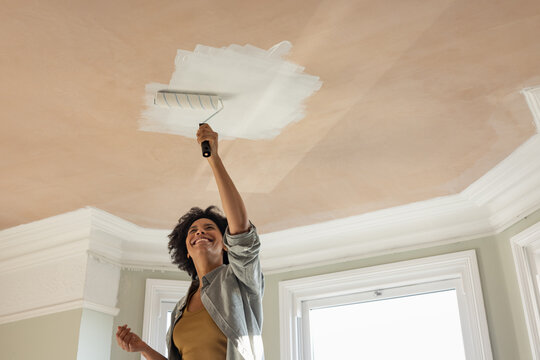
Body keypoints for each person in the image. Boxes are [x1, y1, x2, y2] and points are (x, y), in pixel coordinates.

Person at [116, 124, 264, 360]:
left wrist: (214, 159)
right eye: (193, 231)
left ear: (225, 243)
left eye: (209, 228)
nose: (200, 232)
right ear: (186, 249)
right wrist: (143, 348)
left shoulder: (239, 281)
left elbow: (241, 232)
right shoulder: (180, 310)